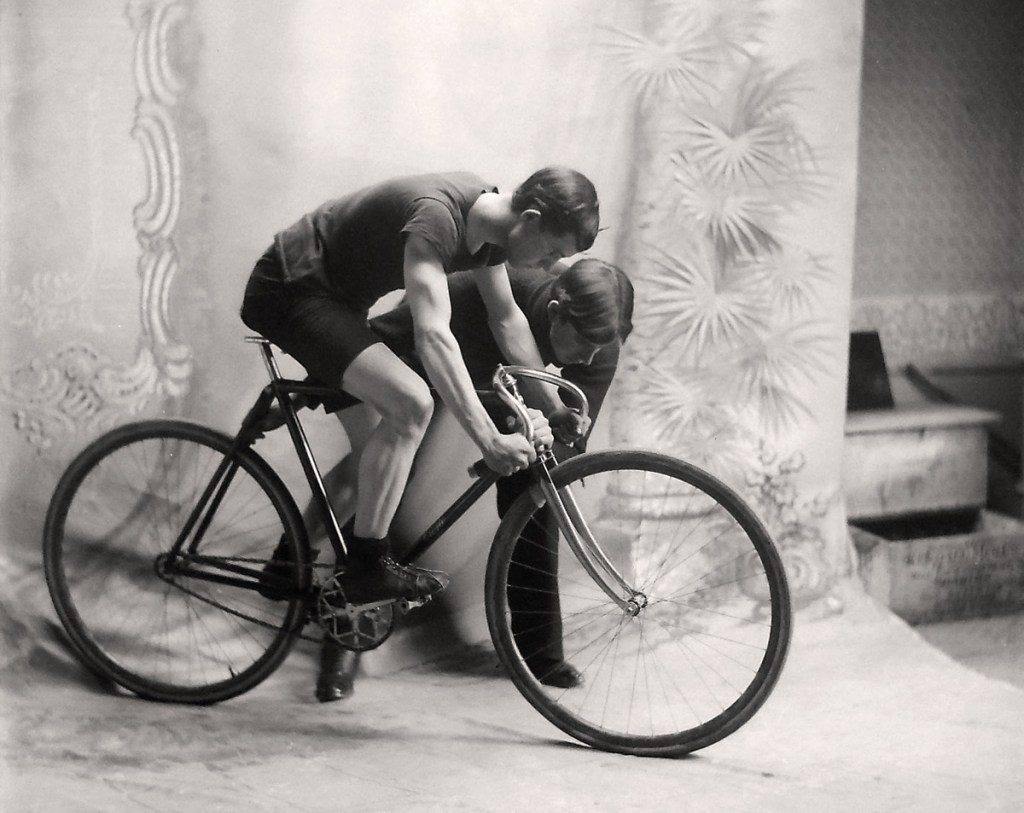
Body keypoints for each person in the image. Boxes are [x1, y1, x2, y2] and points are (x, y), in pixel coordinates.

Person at [241, 167, 600, 612]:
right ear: (529, 219)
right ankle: (367, 566)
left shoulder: (486, 227)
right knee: (411, 403)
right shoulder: (438, 220)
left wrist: (553, 404)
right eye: (552, 252)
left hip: (338, 302)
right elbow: (433, 336)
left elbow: (507, 320)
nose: (549, 267)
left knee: (379, 453)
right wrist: (488, 440)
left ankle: (293, 565)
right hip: (291, 288)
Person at [305, 258, 634, 701]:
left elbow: (571, 437)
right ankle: (346, 635)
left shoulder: (601, 336)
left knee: (537, 495)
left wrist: (546, 452)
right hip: (436, 356)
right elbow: (378, 341)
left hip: (502, 391)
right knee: (390, 480)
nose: (592, 357)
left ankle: (540, 653)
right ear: (555, 312)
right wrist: (317, 384)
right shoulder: (475, 293)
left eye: (603, 347)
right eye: (586, 344)